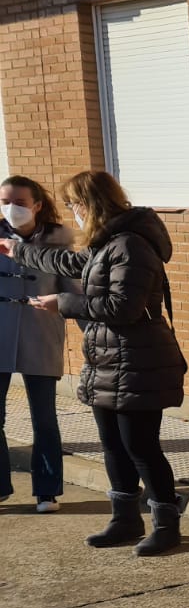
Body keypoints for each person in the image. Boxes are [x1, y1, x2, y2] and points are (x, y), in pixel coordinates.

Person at [0, 171, 187, 555]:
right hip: (107, 359)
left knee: (141, 446)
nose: (73, 212)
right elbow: (68, 262)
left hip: (138, 361)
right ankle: (125, 518)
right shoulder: (105, 244)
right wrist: (17, 250)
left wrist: (62, 304)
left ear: (91, 204)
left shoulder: (130, 246)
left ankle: (167, 525)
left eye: (74, 204)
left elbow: (124, 308)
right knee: (112, 444)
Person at [0, 176, 74, 513]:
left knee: (43, 418)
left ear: (37, 205)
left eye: (18, 202)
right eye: (4, 202)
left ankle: (47, 491)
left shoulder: (58, 238)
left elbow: (74, 291)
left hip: (41, 333)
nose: (10, 208)